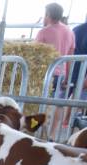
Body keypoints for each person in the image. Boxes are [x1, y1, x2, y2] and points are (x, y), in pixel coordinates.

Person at [36, 3, 75, 139]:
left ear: (48, 14)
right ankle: (52, 134)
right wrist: (68, 76)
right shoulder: (69, 31)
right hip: (62, 73)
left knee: (41, 103)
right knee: (59, 104)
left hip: (46, 73)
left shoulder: (44, 32)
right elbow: (71, 55)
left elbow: (36, 54)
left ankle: (38, 132)